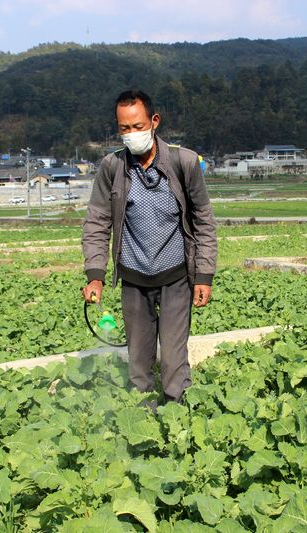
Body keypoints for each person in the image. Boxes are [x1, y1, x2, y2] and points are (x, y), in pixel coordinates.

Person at [82, 89, 217, 405]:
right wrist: (95, 274)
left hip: (176, 276)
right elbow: (97, 222)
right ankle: (141, 419)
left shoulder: (184, 163)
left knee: (173, 358)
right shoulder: (112, 167)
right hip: (133, 278)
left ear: (154, 121)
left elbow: (204, 220)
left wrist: (204, 275)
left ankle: (177, 417)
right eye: (125, 128)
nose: (132, 134)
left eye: (138, 126)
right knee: (139, 361)